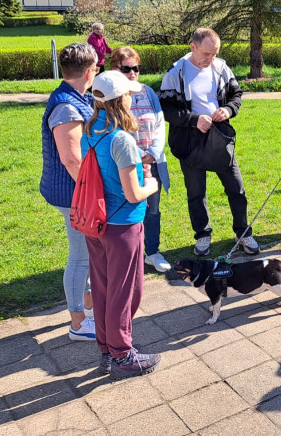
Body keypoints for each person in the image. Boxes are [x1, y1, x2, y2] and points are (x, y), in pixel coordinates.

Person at [82, 71, 161, 378]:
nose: (132, 96)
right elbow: (133, 193)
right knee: (126, 291)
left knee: (102, 288)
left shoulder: (91, 130)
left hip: (96, 222)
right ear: (121, 100)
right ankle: (123, 355)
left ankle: (106, 349)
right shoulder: (122, 140)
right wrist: (151, 183)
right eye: (128, 93)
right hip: (122, 225)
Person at [160, 28, 259, 257]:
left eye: (215, 53)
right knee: (196, 193)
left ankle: (243, 233)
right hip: (189, 141)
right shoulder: (176, 72)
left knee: (237, 188)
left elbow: (237, 95)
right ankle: (202, 236)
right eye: (206, 54)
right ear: (192, 47)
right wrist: (193, 120)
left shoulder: (221, 67)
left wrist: (227, 110)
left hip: (219, 137)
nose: (210, 59)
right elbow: (165, 109)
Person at [39, 43, 97, 341]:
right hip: (73, 193)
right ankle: (78, 323)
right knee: (81, 256)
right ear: (90, 71)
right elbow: (72, 159)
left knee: (84, 253)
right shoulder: (66, 106)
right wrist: (94, 192)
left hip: (75, 191)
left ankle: (88, 308)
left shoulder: (76, 97)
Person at [109, 46, 172, 273]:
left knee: (152, 210)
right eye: (127, 68)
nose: (133, 72)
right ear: (115, 68)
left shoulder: (148, 92)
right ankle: (129, 256)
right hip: (126, 164)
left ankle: (152, 252)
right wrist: (136, 158)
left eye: (136, 67)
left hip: (152, 161)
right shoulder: (110, 97)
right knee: (128, 209)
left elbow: (159, 124)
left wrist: (153, 153)